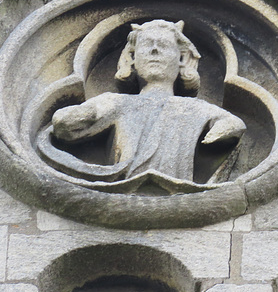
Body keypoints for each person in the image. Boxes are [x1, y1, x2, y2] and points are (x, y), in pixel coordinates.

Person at [51, 19, 246, 182]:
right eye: (147, 45)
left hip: (176, 191)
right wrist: (80, 116)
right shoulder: (117, 103)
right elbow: (64, 124)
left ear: (181, 58)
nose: (154, 51)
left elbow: (233, 124)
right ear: (133, 59)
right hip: (124, 189)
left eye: (163, 45)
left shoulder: (194, 108)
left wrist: (224, 128)